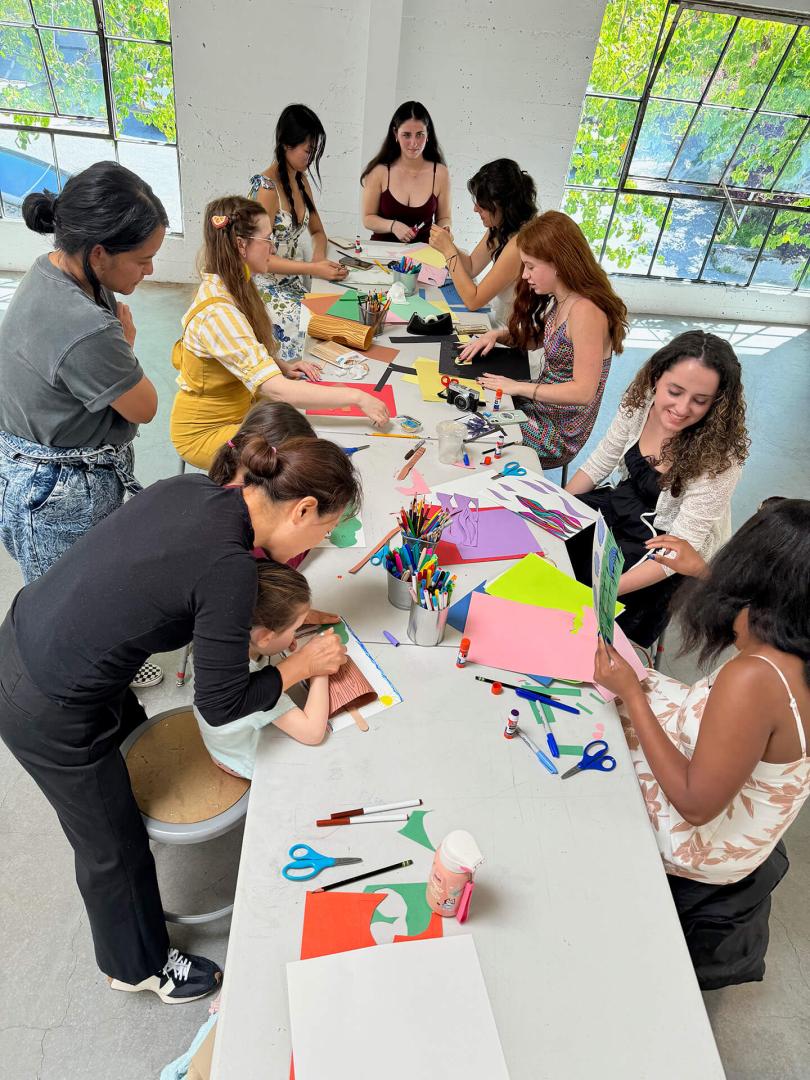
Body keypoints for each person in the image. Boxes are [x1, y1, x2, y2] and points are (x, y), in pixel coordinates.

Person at [0, 434, 359, 1004]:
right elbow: (221, 702)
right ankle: (138, 966)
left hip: (43, 637)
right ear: (303, 509)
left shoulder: (198, 491)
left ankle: (130, 823)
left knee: (125, 750)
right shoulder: (228, 567)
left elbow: (181, 584)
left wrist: (287, 618)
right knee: (109, 845)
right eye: (325, 530)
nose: (321, 541)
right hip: (47, 701)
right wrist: (300, 666)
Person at [595, 499, 810, 983]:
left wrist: (631, 693)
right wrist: (703, 571)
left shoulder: (756, 678)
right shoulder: (796, 643)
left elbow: (694, 805)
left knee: (586, 757)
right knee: (628, 688)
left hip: (703, 835)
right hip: (736, 796)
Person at [0, 161, 165, 585]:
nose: (150, 272)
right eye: (143, 260)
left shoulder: (54, 267)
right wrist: (125, 347)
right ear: (99, 252)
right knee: (73, 600)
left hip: (30, 458)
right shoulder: (84, 326)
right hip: (57, 491)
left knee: (79, 586)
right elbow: (145, 406)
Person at [169, 196, 390, 469]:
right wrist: (356, 397)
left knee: (300, 427)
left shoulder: (236, 281)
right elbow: (279, 391)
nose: (272, 247)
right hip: (206, 433)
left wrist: (280, 365)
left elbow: (243, 350)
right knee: (294, 453)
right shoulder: (219, 313)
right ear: (241, 244)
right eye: (267, 239)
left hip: (240, 409)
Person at [565, 331, 750, 647]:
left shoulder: (723, 457)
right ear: (656, 377)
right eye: (674, 391)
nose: (682, 408)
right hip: (624, 504)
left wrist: (599, 592)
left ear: (718, 401)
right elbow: (599, 463)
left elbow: (678, 548)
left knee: (586, 620)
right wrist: (556, 508)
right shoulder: (640, 403)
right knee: (556, 543)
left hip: (666, 547)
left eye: (700, 401)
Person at [459, 211, 627, 467]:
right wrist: (497, 335)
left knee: (470, 435)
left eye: (530, 266)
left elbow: (583, 392)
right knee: (469, 405)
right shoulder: (563, 299)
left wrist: (517, 387)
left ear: (557, 263)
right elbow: (541, 339)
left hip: (559, 431)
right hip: (541, 406)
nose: (525, 275)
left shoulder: (586, 312)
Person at [196, 561, 329, 779]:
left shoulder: (213, 638)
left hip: (223, 739)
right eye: (296, 628)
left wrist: (285, 636)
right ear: (265, 637)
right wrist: (318, 667)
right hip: (237, 758)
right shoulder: (250, 685)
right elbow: (313, 733)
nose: (296, 634)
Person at [248, 104, 348, 361]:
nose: (310, 157)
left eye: (313, 150)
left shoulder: (301, 180)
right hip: (263, 283)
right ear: (285, 144)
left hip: (291, 280)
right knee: (307, 328)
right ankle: (295, 389)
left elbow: (318, 232)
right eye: (307, 150)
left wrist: (318, 259)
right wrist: (315, 270)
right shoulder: (266, 189)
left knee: (332, 315)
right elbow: (260, 260)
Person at [428, 159, 537, 326]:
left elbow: (473, 301)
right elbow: (471, 266)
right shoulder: (501, 227)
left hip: (512, 333)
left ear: (503, 206)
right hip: (498, 320)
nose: (475, 209)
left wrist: (449, 251)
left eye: (482, 205)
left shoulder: (520, 244)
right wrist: (449, 245)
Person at [361, 101, 451, 244]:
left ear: (428, 134)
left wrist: (446, 229)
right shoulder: (379, 171)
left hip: (425, 255)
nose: (414, 143)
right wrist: (392, 226)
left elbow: (443, 218)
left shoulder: (440, 173)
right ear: (395, 133)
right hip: (381, 253)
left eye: (420, 134)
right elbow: (367, 218)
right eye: (407, 135)